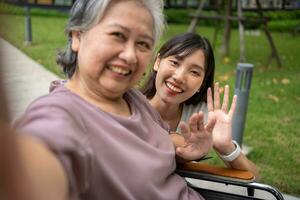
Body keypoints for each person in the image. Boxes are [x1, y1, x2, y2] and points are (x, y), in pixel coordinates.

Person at [13, 1, 216, 199]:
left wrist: (196, 148)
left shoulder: (133, 99)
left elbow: (161, 141)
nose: (130, 56)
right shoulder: (60, 116)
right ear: (77, 36)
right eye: (117, 35)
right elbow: (41, 160)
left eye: (143, 44)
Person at [141, 32, 260, 178]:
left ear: (201, 84)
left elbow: (255, 176)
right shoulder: (128, 105)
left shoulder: (199, 116)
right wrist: (183, 146)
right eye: (174, 63)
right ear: (157, 62)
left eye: (194, 72)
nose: (179, 77)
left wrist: (225, 147)